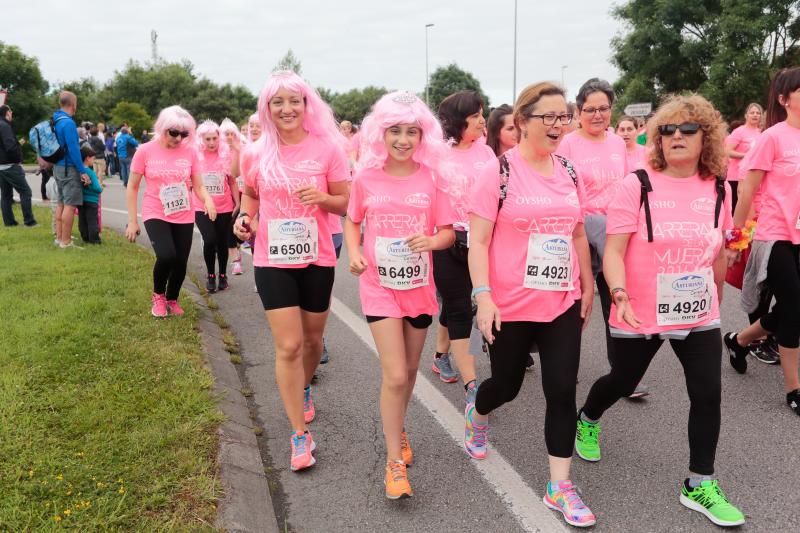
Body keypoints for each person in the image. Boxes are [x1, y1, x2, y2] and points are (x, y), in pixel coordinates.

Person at [576, 94, 745, 527]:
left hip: (696, 310)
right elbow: (613, 250)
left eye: (687, 129)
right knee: (623, 379)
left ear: (706, 137)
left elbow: (719, 248)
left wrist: (717, 297)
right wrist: (619, 293)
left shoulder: (720, 187)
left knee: (708, 392)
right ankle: (589, 418)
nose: (675, 137)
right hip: (639, 309)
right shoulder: (638, 184)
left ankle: (699, 482)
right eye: (667, 130)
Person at [469, 82, 596, 527]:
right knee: (506, 386)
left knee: (562, 390)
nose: (561, 125)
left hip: (560, 300)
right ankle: (478, 410)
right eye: (551, 117)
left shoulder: (569, 171)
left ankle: (559, 486)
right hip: (509, 304)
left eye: (566, 116)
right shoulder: (497, 172)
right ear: (522, 122)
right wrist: (483, 297)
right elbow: (478, 241)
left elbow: (577, 232)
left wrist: (587, 286)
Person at [232, 71, 350, 472]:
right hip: (272, 258)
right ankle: (299, 435)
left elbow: (347, 204)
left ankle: (302, 388)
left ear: (306, 105)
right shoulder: (255, 152)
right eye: (277, 102)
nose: (286, 109)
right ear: (267, 108)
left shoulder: (328, 148)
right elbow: (250, 194)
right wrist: (244, 218)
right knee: (288, 346)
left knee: (313, 342)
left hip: (317, 256)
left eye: (293, 101)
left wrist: (322, 197)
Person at [345, 91, 456, 499]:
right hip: (379, 288)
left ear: (423, 136)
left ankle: (399, 425)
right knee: (394, 374)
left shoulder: (432, 178)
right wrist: (355, 253)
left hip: (419, 290)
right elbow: (353, 221)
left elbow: (447, 232)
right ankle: (394, 463)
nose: (403, 139)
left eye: (412, 131)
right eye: (395, 131)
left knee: (408, 374)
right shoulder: (366, 176)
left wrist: (431, 240)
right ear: (381, 133)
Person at [557, 78, 647, 398]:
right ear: (579, 111)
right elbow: (562, 188)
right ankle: (565, 370)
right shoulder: (568, 144)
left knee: (615, 298)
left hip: (614, 232)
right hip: (579, 232)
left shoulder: (616, 143)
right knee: (576, 303)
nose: (597, 115)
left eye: (604, 109)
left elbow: (624, 186)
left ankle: (623, 375)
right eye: (590, 109)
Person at [725, 67, 800, 416]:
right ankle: (794, 389)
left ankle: (739, 340)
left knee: (789, 308)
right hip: (775, 235)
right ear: (784, 100)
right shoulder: (772, 137)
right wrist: (735, 239)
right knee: (793, 307)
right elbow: (746, 191)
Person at [431, 90, 494, 400]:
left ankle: (441, 355)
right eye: (475, 116)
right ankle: (473, 387)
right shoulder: (436, 155)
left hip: (481, 244)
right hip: (448, 243)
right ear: (457, 122)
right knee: (459, 309)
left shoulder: (486, 153)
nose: (483, 121)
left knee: (464, 306)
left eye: (482, 114)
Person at [124, 105, 217, 317]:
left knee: (181, 261)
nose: (178, 138)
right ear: (162, 128)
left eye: (184, 134)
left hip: (183, 212)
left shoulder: (190, 152)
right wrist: (132, 220)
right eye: (173, 133)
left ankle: (172, 298)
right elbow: (133, 186)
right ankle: (158, 296)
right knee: (166, 255)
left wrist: (208, 201)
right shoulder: (145, 151)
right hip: (155, 210)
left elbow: (199, 186)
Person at [194, 120, 239, 293]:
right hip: (202, 206)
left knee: (222, 242)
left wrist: (238, 203)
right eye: (208, 139)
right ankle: (211, 274)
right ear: (201, 140)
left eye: (214, 138)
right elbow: (193, 184)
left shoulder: (225, 154)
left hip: (225, 206)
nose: (212, 143)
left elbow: (233, 181)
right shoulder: (195, 156)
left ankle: (222, 275)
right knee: (210, 239)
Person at [53, 91, 90, 248]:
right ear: (73, 105)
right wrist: (82, 171)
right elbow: (74, 150)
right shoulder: (68, 123)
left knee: (61, 203)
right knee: (70, 205)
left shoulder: (55, 119)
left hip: (57, 167)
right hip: (68, 168)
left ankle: (60, 237)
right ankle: (66, 242)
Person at [0, 105, 37, 227]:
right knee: (26, 192)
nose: (12, 114)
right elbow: (10, 147)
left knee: (6, 195)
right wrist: (18, 159)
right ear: (7, 113)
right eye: (11, 111)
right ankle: (29, 221)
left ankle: (9, 222)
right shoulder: (4, 126)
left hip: (1, 166)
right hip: (10, 165)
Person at [724, 103, 763, 213]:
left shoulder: (762, 133)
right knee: (736, 210)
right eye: (752, 113)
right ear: (746, 115)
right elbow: (727, 151)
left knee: (751, 211)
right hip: (736, 177)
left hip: (753, 178)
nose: (755, 115)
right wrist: (747, 156)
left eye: (758, 113)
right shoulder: (739, 131)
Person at [220, 117, 245, 276]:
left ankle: (239, 246)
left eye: (231, 134)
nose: (229, 137)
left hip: (245, 193)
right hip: (225, 197)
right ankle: (235, 261)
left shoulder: (244, 148)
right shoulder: (216, 152)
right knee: (229, 229)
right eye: (225, 134)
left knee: (242, 229)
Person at [77, 144, 102, 244]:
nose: (93, 161)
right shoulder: (90, 172)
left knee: (82, 220)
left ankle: (85, 237)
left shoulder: (78, 171)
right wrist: (100, 188)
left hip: (81, 200)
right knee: (92, 221)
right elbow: (97, 188)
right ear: (87, 158)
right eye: (93, 158)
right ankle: (94, 240)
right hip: (92, 201)